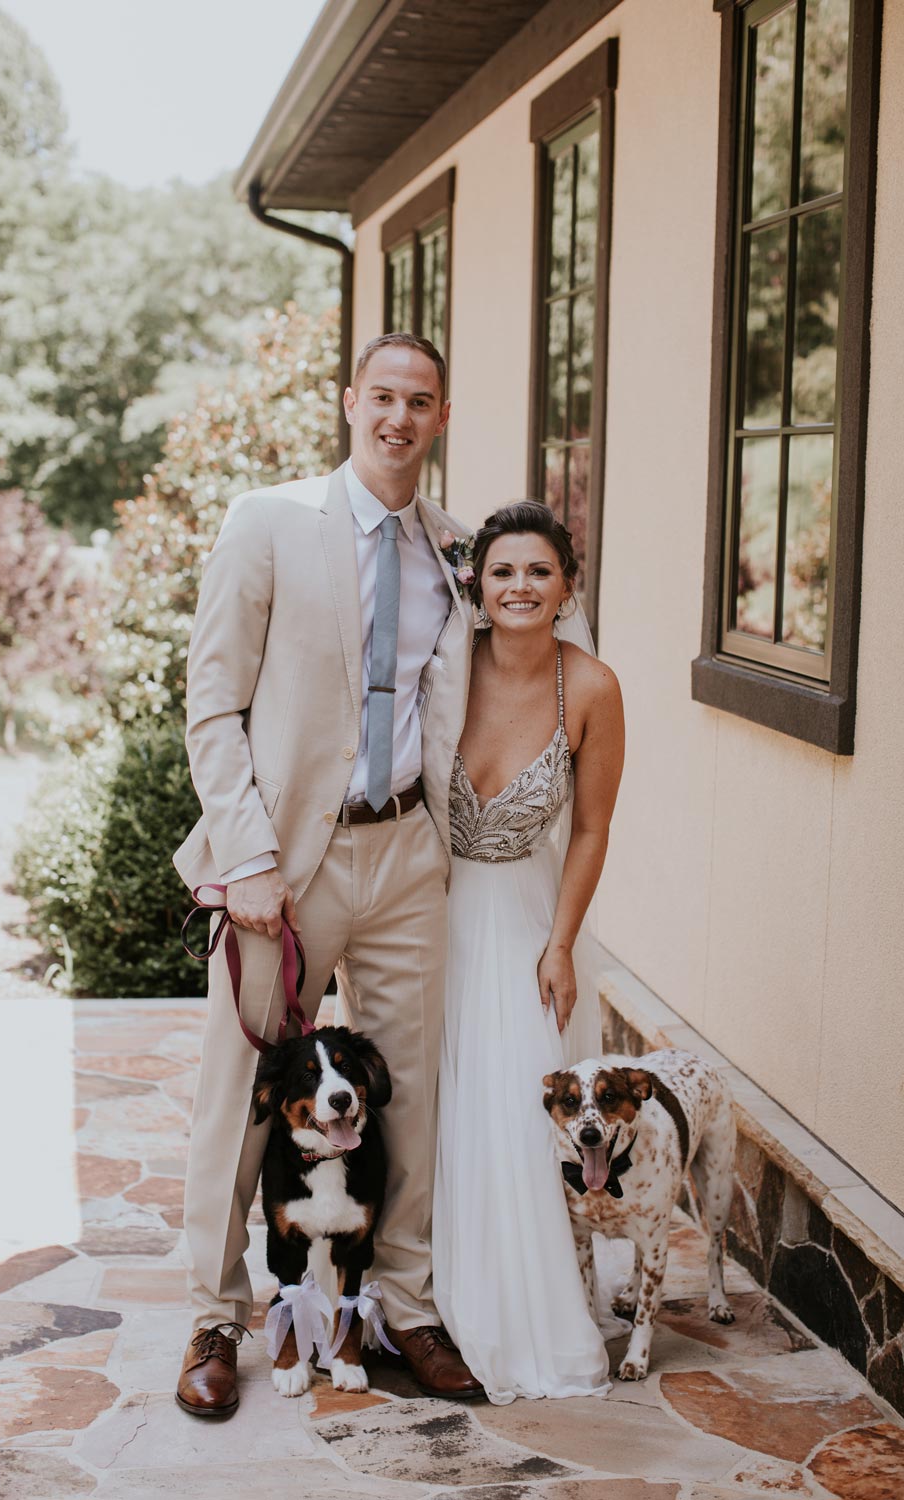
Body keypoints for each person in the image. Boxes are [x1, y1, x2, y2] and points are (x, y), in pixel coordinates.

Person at [173, 332, 485, 1416]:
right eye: (383, 396)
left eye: (422, 401)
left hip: (408, 852)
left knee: (407, 1091)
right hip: (286, 864)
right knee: (245, 1095)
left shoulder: (456, 546)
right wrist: (247, 857)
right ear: (351, 402)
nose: (399, 417)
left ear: (442, 416)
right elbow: (210, 703)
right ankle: (216, 1316)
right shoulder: (269, 523)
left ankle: (403, 1302)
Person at [433, 501, 626, 1405]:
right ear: (475, 582)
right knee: (432, 1108)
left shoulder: (589, 687)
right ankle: (419, 1302)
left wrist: (561, 943)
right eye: (502, 571)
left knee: (511, 1115)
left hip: (521, 922)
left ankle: (520, 1317)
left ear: (567, 586)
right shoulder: (444, 664)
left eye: (538, 572)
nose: (519, 588)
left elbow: (589, 830)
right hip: (422, 913)